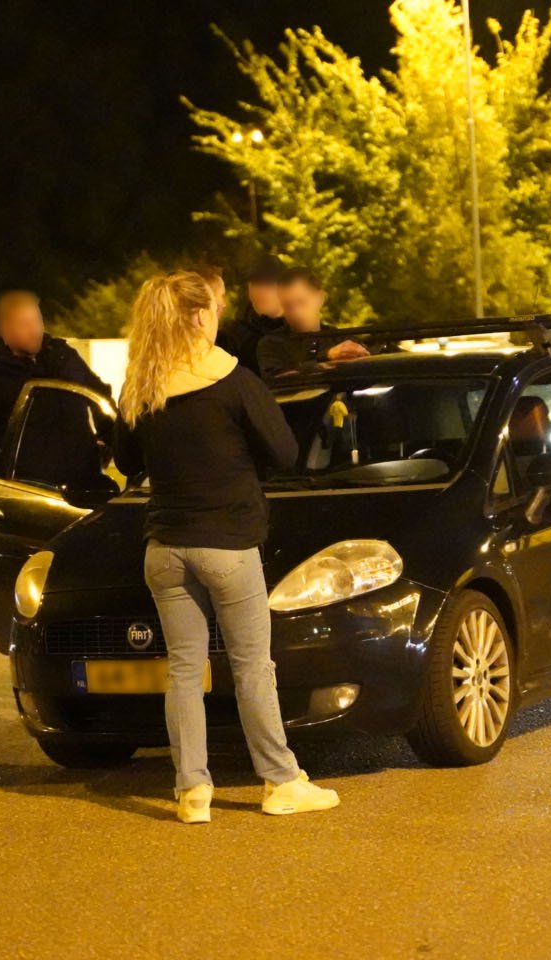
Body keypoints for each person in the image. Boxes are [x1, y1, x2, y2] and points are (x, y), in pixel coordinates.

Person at [112, 271, 339, 824]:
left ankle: (192, 791)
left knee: (184, 670)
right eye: (213, 309)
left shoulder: (142, 385)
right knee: (252, 668)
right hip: (228, 546)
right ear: (196, 317)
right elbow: (284, 452)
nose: (217, 318)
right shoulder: (232, 379)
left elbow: (126, 462)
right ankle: (281, 780)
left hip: (164, 549)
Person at [0, 290, 113, 495]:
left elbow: (100, 398)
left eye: (37, 321)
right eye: (24, 324)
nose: (35, 330)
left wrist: (109, 441)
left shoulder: (65, 359)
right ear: (5, 330)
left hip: (84, 490)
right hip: (33, 499)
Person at [256, 267, 369, 378]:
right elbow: (278, 381)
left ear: (320, 297)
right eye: (287, 306)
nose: (296, 312)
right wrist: (327, 357)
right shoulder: (271, 345)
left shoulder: (342, 340)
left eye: (302, 302)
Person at [215, 254, 288, 374]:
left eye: (268, 284)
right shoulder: (231, 337)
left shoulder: (301, 332)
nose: (260, 291)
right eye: (255, 283)